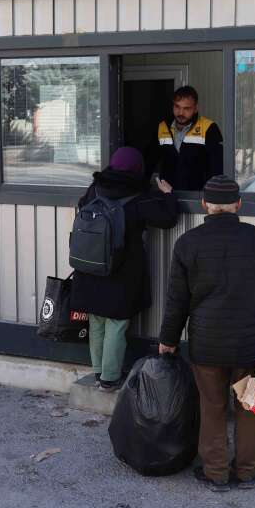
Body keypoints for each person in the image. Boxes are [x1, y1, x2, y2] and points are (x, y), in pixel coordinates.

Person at [157, 175, 255, 492]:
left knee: (212, 406)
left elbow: (176, 302)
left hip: (206, 344)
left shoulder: (187, 243)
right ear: (239, 204)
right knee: (249, 406)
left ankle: (216, 473)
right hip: (250, 344)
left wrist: (168, 339)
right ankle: (248, 471)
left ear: (205, 205)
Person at [72, 147, 179, 391]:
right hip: (122, 269)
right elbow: (166, 218)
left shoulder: (95, 188)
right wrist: (168, 194)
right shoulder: (138, 195)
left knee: (96, 320)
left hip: (91, 265)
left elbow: (81, 207)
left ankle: (99, 373)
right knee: (117, 323)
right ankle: (110, 379)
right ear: (137, 169)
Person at [153, 86, 223, 191]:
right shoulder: (162, 127)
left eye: (186, 108)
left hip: (197, 197)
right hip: (167, 195)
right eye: (177, 107)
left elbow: (217, 169)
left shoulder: (208, 128)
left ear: (195, 109)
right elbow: (153, 161)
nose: (180, 113)